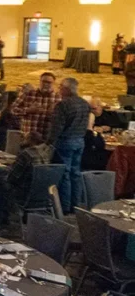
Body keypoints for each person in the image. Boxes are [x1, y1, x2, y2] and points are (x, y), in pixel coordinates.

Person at [48, 77, 89, 213]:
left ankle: (64, 207)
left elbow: (57, 127)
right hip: (80, 140)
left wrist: (49, 142)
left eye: (60, 87)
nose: (59, 89)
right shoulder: (84, 103)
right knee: (75, 174)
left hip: (65, 141)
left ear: (66, 89)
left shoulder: (63, 105)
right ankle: (75, 205)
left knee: (64, 174)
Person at [7, 131, 54, 206]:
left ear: (29, 140)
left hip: (25, 190)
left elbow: (13, 176)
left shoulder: (26, 154)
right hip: (43, 191)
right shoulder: (47, 152)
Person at [13, 71, 61, 138]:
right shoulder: (28, 94)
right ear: (40, 81)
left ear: (53, 83)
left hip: (46, 137)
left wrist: (53, 113)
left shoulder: (58, 98)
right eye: (43, 81)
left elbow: (63, 119)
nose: (46, 84)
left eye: (49, 82)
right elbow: (12, 110)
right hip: (27, 136)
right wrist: (28, 110)